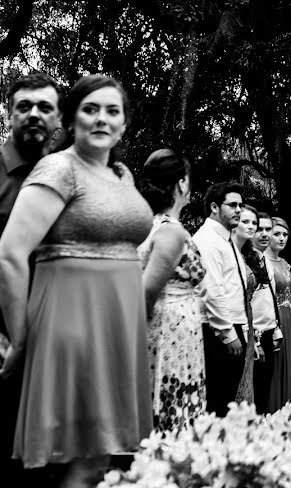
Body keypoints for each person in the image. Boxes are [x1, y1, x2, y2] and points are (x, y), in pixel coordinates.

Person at [0, 74, 153, 486]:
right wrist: (18, 338)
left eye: (112, 111)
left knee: (102, 457)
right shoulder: (59, 167)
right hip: (71, 320)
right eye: (90, 109)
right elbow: (11, 253)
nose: (101, 119)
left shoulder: (123, 174)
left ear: (124, 123)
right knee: (78, 456)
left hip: (118, 325)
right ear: (71, 120)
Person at [0, 72, 61, 484]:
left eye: (45, 107)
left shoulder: (66, 175)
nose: (34, 115)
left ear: (59, 118)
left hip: (57, 345)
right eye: (24, 106)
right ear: (9, 114)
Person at [136, 149, 207, 431]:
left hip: (175, 327)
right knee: (170, 409)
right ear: (181, 184)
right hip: (171, 332)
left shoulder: (148, 226)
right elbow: (145, 292)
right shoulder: (171, 231)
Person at [193, 182, 252, 416]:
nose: (239, 210)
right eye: (233, 205)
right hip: (216, 331)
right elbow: (212, 289)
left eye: (241, 205)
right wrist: (228, 334)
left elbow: (234, 288)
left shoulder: (227, 240)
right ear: (215, 207)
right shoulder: (207, 239)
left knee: (226, 399)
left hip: (234, 326)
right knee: (217, 400)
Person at [235, 207, 282, 413]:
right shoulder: (245, 261)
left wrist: (276, 327)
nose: (264, 233)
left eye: (268, 229)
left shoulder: (265, 260)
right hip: (254, 336)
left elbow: (270, 299)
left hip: (269, 332)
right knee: (251, 393)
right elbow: (246, 303)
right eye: (258, 229)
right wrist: (255, 338)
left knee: (264, 392)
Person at [265, 216, 291, 409]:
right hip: (274, 318)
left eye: (285, 234)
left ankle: (290, 414)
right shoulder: (263, 262)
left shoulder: (285, 263)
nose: (282, 238)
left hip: (290, 319)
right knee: (276, 369)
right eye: (277, 234)